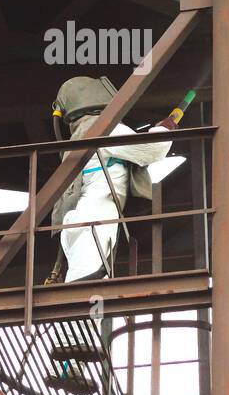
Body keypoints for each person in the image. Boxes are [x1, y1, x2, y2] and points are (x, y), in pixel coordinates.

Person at [48, 76, 177, 282]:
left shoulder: (81, 133)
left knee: (88, 275)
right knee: (88, 281)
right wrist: (165, 129)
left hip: (82, 217)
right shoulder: (104, 129)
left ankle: (78, 309)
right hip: (95, 214)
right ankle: (81, 309)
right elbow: (151, 148)